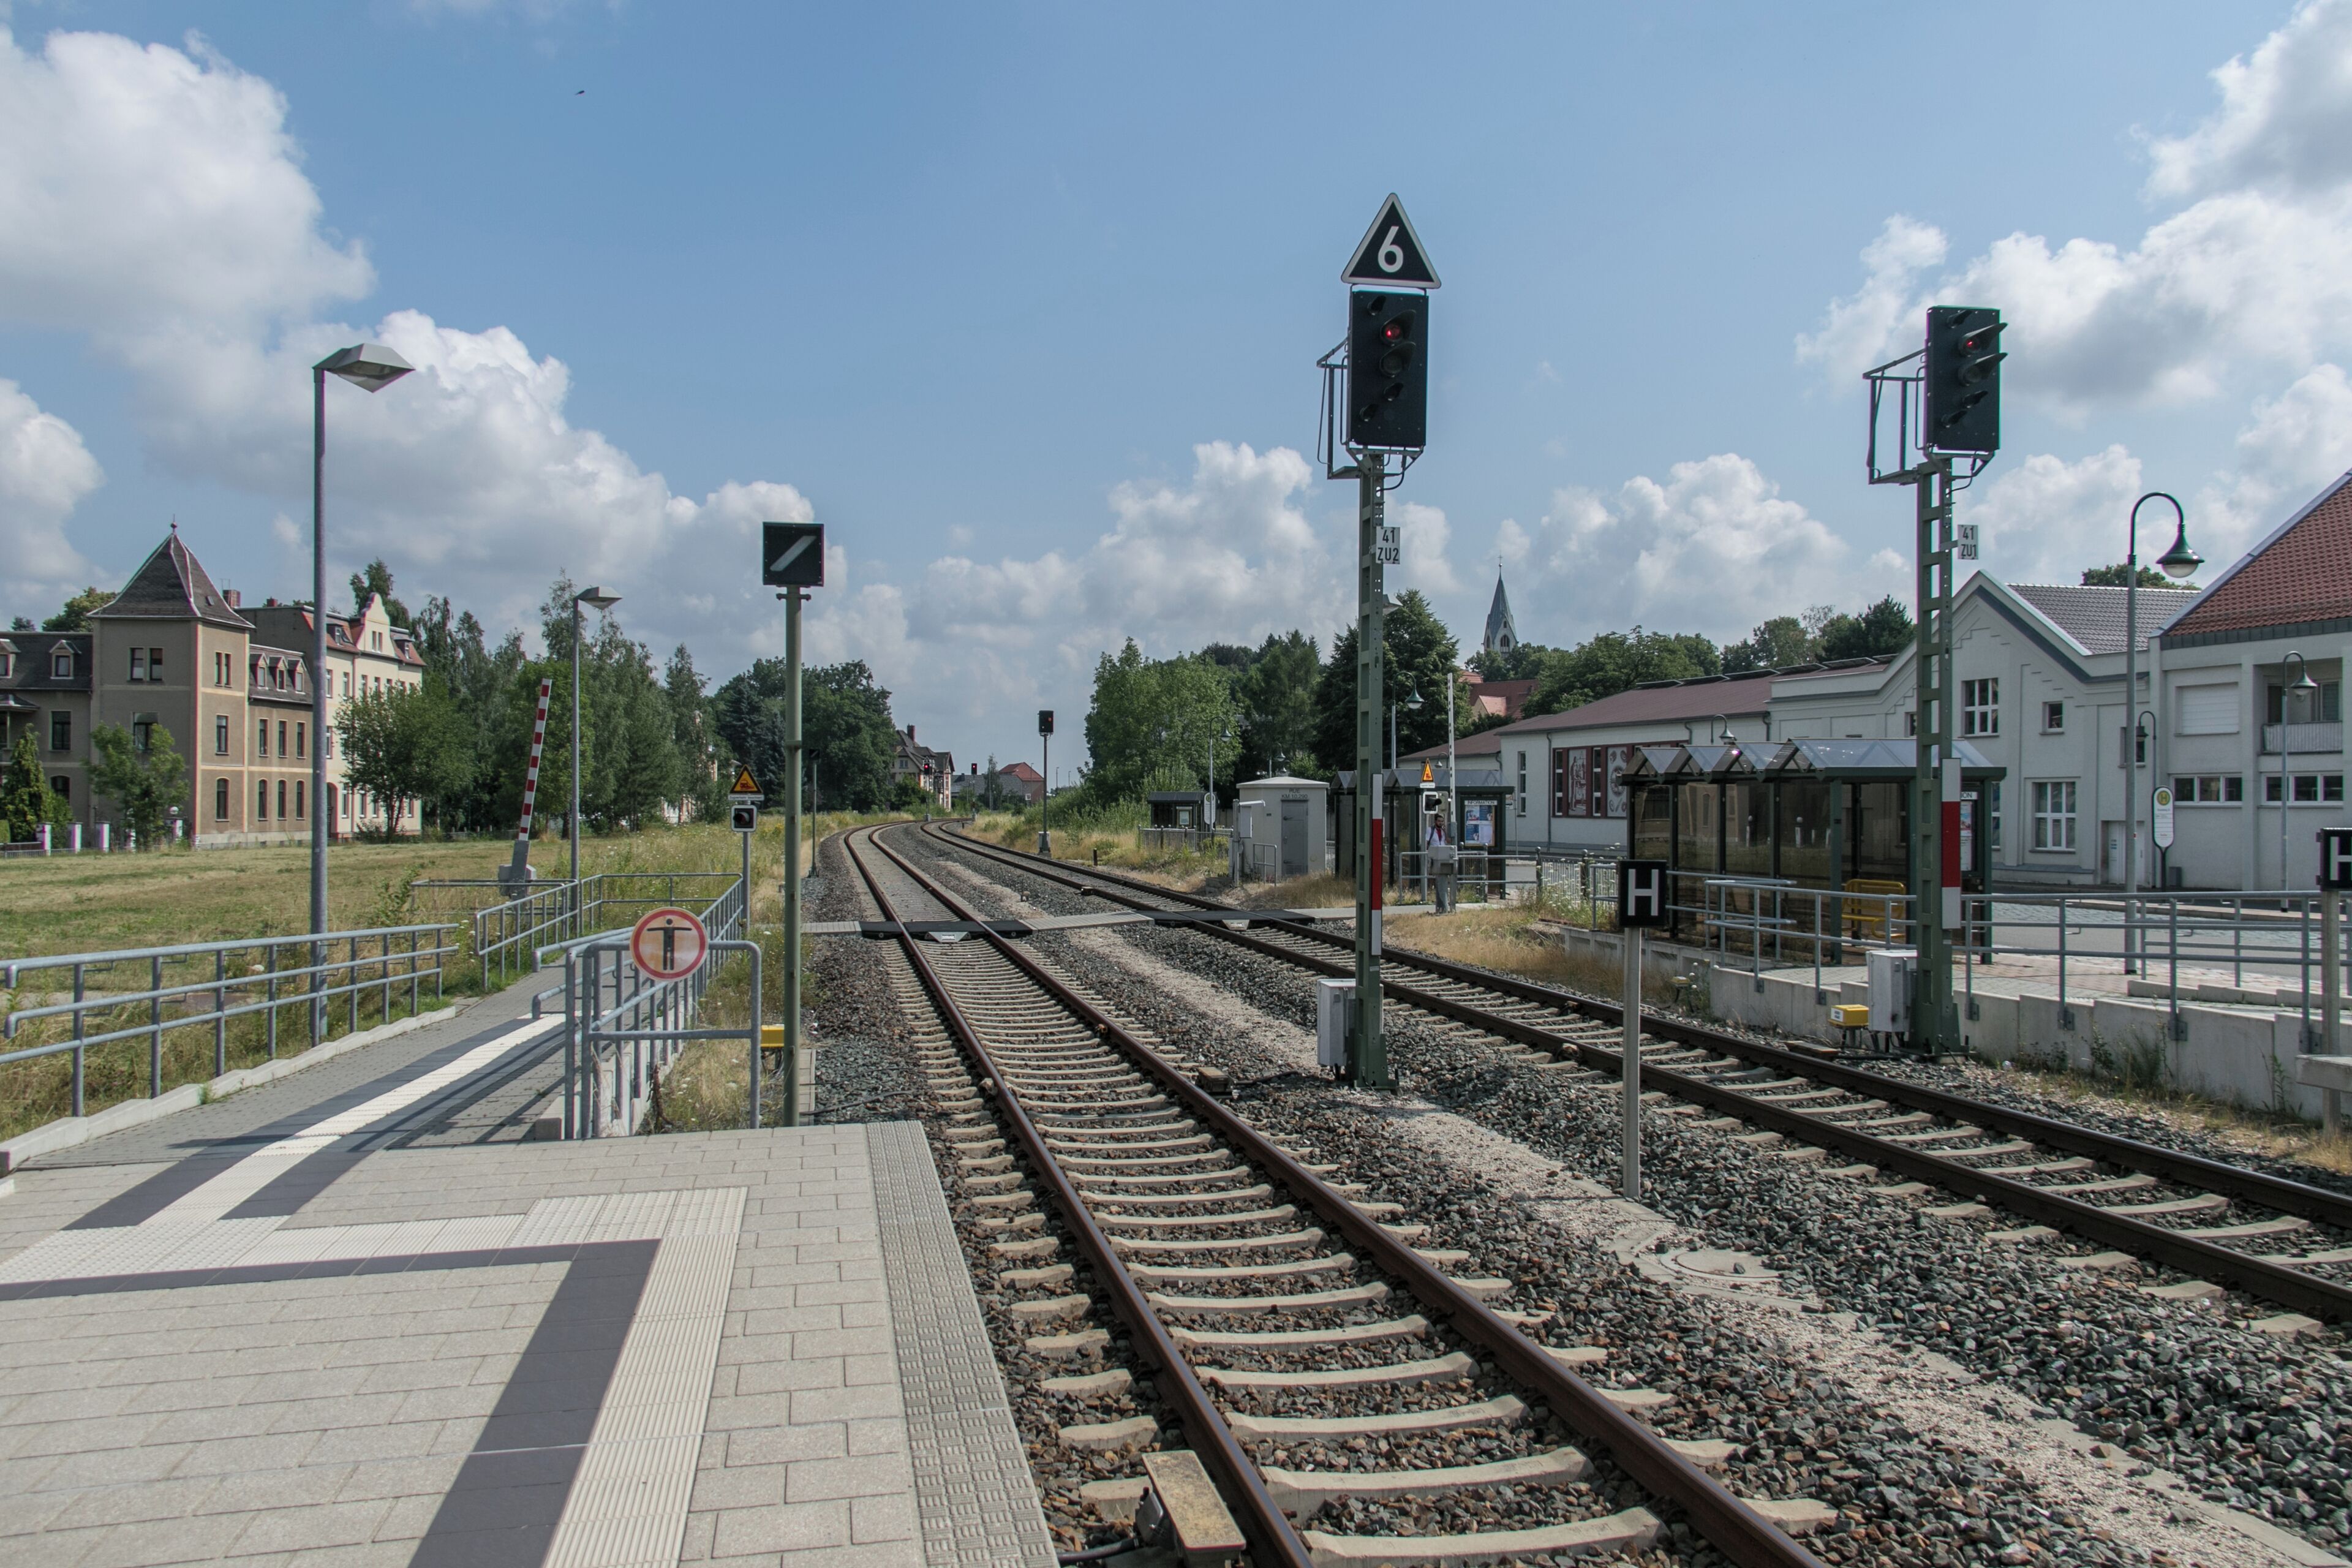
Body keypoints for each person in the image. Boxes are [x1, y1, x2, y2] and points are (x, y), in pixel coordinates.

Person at [1428, 819, 1459, 914]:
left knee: (1441, 886)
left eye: (1442, 821)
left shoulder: (1443, 832)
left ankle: (1443, 909)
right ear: (1435, 821)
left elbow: (1449, 841)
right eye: (1439, 821)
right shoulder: (1431, 830)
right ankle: (1442, 908)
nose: (1441, 823)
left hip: (1444, 858)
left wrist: (1445, 831)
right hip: (1436, 857)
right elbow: (1427, 842)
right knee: (1440, 886)